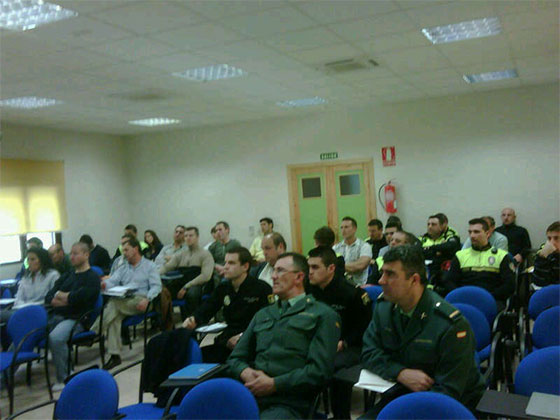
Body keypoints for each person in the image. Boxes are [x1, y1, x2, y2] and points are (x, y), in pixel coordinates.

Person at [361, 245, 484, 416]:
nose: (381, 280)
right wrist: (400, 372)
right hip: (401, 393)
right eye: (382, 273)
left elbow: (449, 390)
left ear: (414, 280)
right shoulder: (384, 309)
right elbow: (368, 352)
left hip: (451, 407)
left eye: (390, 274)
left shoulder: (450, 324)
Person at [227, 252, 340, 419]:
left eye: (280, 271)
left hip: (289, 401)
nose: (273, 276)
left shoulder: (323, 315)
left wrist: (274, 384)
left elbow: (319, 371)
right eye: (273, 271)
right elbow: (235, 358)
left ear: (299, 277)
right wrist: (245, 372)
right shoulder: (264, 313)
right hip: (250, 393)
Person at [307, 246, 371, 419]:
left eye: (315, 267)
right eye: (308, 267)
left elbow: (364, 328)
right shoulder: (308, 290)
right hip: (318, 343)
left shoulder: (352, 293)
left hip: (349, 346)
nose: (310, 272)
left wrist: (344, 343)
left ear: (331, 269)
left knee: (335, 368)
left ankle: (341, 416)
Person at [183, 247, 272, 363]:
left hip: (253, 339)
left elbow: (267, 321)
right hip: (228, 337)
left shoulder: (261, 288)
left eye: (231, 263)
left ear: (245, 266)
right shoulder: (223, 288)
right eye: (225, 262)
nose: (225, 266)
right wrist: (193, 319)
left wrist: (242, 336)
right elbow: (208, 307)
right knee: (197, 358)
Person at [93, 237, 162, 370]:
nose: (123, 253)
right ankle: (115, 356)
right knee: (114, 317)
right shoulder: (123, 266)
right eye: (122, 250)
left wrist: (148, 299)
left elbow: (156, 286)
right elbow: (112, 281)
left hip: (143, 300)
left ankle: (96, 331)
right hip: (125, 300)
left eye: (126, 250)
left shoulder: (149, 266)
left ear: (136, 249)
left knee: (114, 304)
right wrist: (103, 284)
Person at [44, 242, 100, 390]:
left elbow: (80, 300)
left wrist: (63, 298)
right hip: (57, 315)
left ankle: (64, 378)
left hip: (77, 319)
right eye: (71, 253)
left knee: (56, 337)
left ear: (86, 255)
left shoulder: (92, 277)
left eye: (76, 253)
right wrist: (63, 298)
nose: (72, 256)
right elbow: (49, 296)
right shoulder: (68, 275)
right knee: (27, 331)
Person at [443, 218, 515, 309]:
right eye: (470, 232)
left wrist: (487, 297)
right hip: (464, 299)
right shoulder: (460, 255)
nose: (472, 236)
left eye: (476, 232)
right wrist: (461, 295)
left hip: (491, 299)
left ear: (488, 234)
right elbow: (449, 281)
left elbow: (509, 285)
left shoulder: (501, 256)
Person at [159, 226, 214, 316]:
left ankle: (193, 322)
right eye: (186, 236)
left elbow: (205, 276)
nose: (188, 238)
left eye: (191, 235)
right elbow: (166, 267)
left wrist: (186, 286)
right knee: (161, 293)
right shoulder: (180, 254)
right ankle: (166, 324)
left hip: (198, 284)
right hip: (183, 282)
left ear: (197, 237)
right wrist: (154, 275)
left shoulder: (205, 254)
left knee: (192, 294)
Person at [1, 247, 59, 324]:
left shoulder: (53, 275)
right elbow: (18, 298)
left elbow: (53, 299)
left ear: (42, 260)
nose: (29, 262)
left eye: (33, 259)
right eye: (28, 259)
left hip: (41, 311)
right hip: (22, 309)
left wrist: (29, 306)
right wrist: (24, 307)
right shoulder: (26, 277)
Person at [419, 213, 461, 286]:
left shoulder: (451, 234)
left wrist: (429, 248)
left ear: (442, 226)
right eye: (428, 224)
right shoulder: (423, 237)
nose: (430, 227)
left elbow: (450, 247)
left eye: (433, 224)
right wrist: (437, 251)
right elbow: (416, 250)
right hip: (424, 266)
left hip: (441, 268)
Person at [333, 217, 372, 285]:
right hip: (340, 286)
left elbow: (360, 265)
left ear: (354, 229)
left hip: (359, 286)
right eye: (341, 227)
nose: (343, 230)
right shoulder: (335, 248)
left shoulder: (364, 246)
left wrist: (338, 266)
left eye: (346, 227)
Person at [531, 221, 560, 287]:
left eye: (556, 238)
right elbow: (538, 282)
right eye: (549, 238)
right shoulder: (545, 254)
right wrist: (542, 257)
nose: (552, 242)